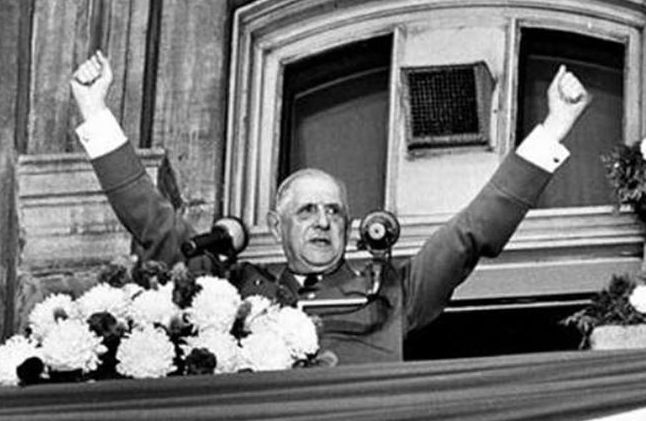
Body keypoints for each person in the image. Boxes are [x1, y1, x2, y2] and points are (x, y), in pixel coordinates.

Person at [70, 51, 590, 365]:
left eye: (335, 212)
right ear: (275, 225)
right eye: (307, 211)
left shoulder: (391, 291)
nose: (323, 221)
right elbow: (156, 227)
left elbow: (470, 232)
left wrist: (555, 127)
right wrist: (94, 111)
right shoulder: (233, 290)